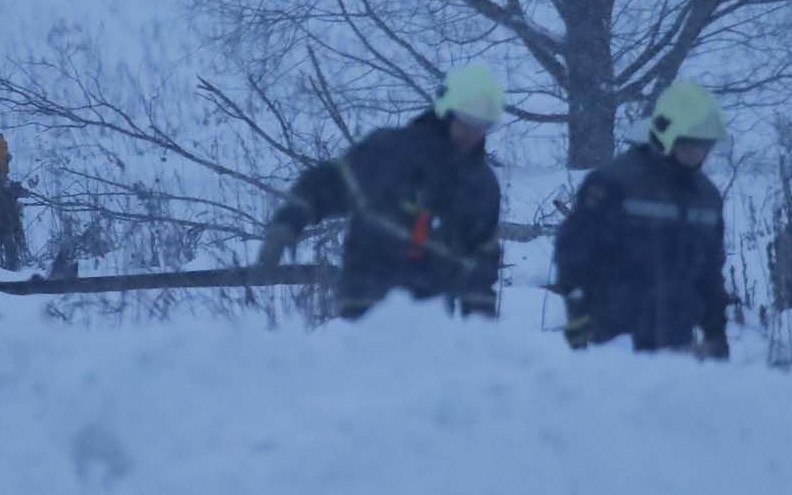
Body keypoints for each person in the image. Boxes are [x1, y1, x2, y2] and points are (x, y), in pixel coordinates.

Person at [257, 63, 506, 319]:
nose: (472, 133)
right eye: (466, 121)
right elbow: (326, 184)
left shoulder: (482, 187)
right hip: (365, 304)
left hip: (430, 321)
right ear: (445, 113)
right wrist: (286, 224)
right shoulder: (390, 153)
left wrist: (480, 327)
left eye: (482, 126)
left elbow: (481, 262)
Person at [553, 80, 730, 358]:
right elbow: (574, 252)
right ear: (666, 134)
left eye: (704, 146)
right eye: (690, 144)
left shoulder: (707, 198)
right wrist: (578, 315)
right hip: (611, 340)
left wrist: (715, 332)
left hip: (676, 341)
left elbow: (710, 271)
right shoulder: (613, 183)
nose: (698, 153)